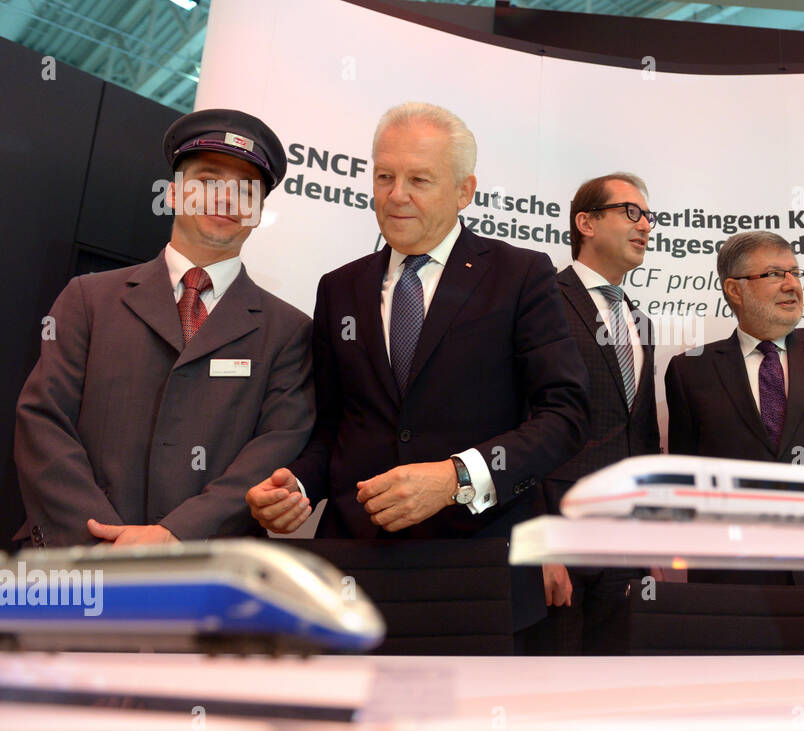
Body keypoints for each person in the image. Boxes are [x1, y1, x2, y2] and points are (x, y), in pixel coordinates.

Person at [245, 102, 588, 642]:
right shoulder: (339, 287)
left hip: (477, 566)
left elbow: (565, 413)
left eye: (419, 179)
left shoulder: (519, 275)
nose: (396, 194)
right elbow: (333, 428)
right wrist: (299, 486)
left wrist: (456, 478)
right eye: (385, 176)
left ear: (464, 191)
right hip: (353, 570)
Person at [15, 108, 313, 548]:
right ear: (173, 194)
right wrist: (104, 536)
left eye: (245, 189)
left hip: (206, 576)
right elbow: (44, 423)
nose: (226, 199)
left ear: (258, 211)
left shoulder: (289, 331)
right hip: (76, 558)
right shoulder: (89, 298)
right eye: (209, 182)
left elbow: (274, 448)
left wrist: (177, 533)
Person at [664, 230, 804, 585]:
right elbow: (687, 477)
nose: (791, 285)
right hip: (735, 580)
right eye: (774, 274)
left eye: (795, 273)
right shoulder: (690, 369)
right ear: (735, 290)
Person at [536, 173, 660, 654]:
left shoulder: (642, 323)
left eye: (649, 216)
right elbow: (524, 422)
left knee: (614, 693)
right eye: (631, 212)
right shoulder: (542, 300)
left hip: (626, 548)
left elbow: (641, 436)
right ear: (585, 222)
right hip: (560, 541)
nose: (645, 226)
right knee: (553, 692)